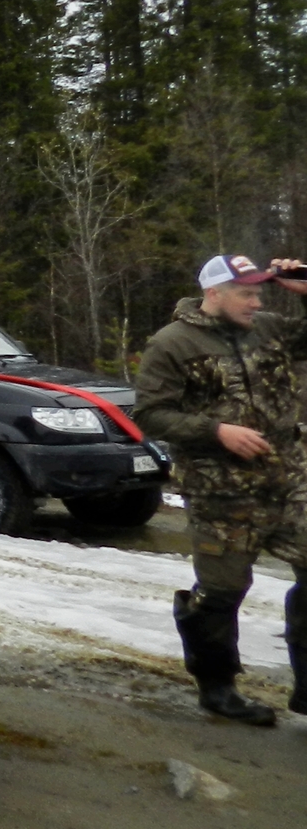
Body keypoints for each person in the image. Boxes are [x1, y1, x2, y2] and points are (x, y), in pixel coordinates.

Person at [135, 253, 307, 726]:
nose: (256, 301)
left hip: (289, 481)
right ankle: (218, 688)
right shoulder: (172, 343)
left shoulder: (269, 329)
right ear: (215, 293)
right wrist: (217, 431)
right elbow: (149, 413)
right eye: (246, 293)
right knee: (222, 593)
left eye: (259, 292)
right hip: (222, 493)